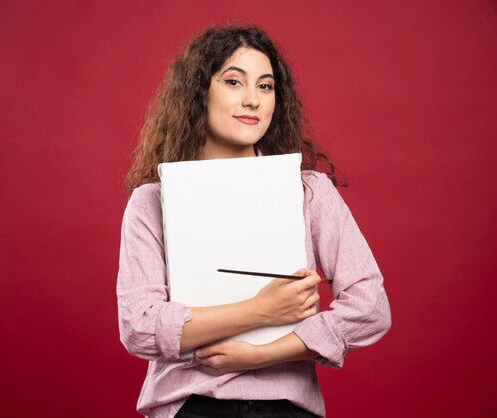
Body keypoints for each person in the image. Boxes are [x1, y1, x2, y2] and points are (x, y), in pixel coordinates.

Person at [116, 25, 391, 418]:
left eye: (266, 87)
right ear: (199, 94)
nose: (252, 100)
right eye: (233, 81)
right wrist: (259, 311)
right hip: (190, 406)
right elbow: (140, 328)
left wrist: (262, 354)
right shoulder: (151, 202)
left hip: (286, 408)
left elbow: (371, 308)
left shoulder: (309, 191)